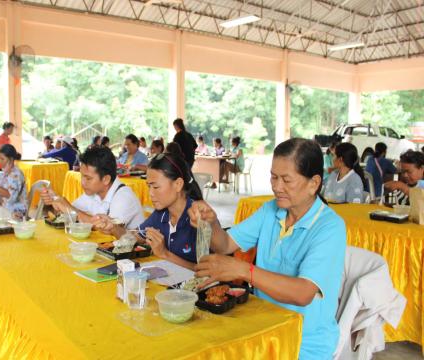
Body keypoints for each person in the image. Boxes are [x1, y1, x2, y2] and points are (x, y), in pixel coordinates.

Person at [188, 138, 346, 360]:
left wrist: (244, 271)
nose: (276, 187)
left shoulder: (329, 227)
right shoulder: (271, 210)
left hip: (302, 343)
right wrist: (211, 222)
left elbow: (303, 293)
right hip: (261, 327)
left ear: (314, 183)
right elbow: (224, 244)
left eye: (286, 180)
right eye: (273, 177)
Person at [93, 152, 203, 270]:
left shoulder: (199, 217)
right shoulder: (161, 214)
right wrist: (113, 228)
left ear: (178, 184)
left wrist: (164, 253)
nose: (150, 193)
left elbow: (207, 272)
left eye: (155, 187)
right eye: (149, 186)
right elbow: (134, 238)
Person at [41, 147, 144, 228]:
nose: (83, 182)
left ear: (106, 179)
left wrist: (69, 209)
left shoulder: (123, 197)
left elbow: (108, 229)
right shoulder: (93, 192)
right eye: (82, 176)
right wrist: (53, 202)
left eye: (88, 178)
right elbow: (71, 214)